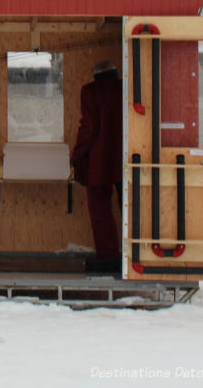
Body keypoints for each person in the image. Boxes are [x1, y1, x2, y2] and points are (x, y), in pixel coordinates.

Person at [71, 60, 123, 271]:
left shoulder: (90, 92)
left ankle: (108, 256)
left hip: (99, 162)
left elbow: (89, 127)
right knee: (131, 209)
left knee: (101, 210)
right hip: (126, 160)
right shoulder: (126, 88)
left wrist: (78, 154)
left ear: (95, 75)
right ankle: (135, 256)